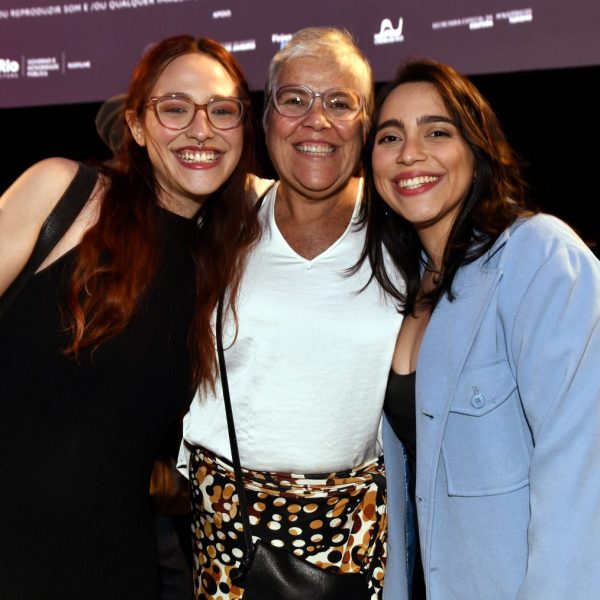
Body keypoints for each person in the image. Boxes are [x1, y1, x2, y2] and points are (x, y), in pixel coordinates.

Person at [0, 34, 262, 599]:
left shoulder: (223, 267)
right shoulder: (63, 195)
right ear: (138, 126)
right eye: (175, 108)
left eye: (222, 110)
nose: (201, 129)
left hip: (116, 573)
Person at [357, 58, 600, 599]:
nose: (409, 154)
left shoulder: (539, 256)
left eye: (437, 132)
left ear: (477, 148)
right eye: (389, 137)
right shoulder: (403, 289)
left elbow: (582, 467)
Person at [180, 27, 403, 599]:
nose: (316, 121)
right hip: (226, 529)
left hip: (352, 535)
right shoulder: (222, 217)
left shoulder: (402, 230)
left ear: (366, 123)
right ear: (265, 116)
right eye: (295, 99)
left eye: (339, 102)